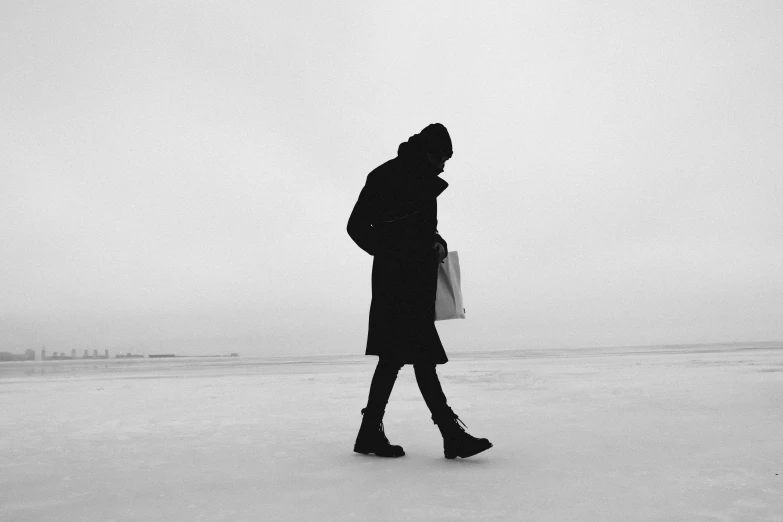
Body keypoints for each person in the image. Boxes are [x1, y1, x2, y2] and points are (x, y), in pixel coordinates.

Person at [347, 123, 493, 459]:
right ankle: (449, 433)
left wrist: (438, 245)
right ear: (429, 151)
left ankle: (371, 432)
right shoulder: (385, 177)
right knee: (419, 357)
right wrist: (390, 253)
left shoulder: (422, 180)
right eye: (443, 157)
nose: (444, 166)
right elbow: (356, 227)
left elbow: (427, 231)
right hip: (397, 283)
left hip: (416, 283)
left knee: (396, 357)